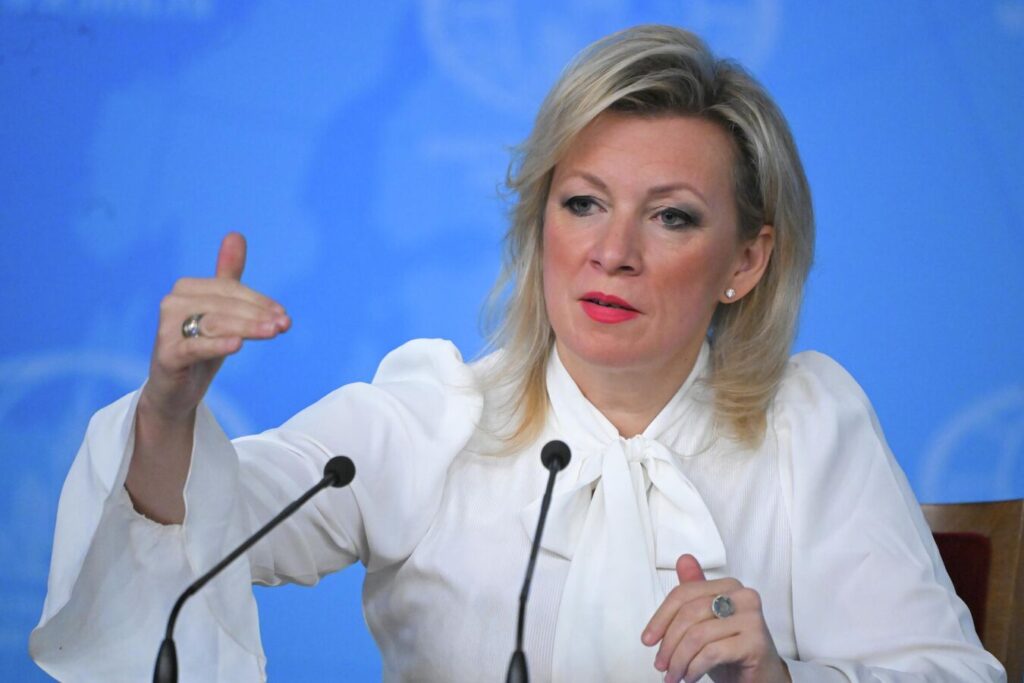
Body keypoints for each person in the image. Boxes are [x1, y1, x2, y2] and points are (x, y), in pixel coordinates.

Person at [30, 24, 1004, 683]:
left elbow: (948, 673)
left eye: (670, 216)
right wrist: (168, 413)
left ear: (745, 260)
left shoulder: (806, 422)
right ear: (541, 223)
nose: (612, 250)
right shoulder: (432, 416)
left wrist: (780, 678)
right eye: (582, 203)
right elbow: (206, 525)